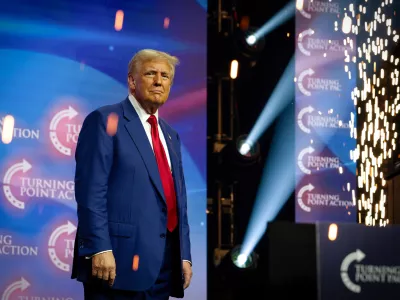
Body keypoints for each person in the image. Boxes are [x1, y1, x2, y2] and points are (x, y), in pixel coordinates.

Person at [71, 49, 193, 300]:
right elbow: (90, 191)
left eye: (166, 76)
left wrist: (184, 254)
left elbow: (177, 201)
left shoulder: (171, 135)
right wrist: (99, 247)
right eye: (150, 73)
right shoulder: (105, 120)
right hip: (116, 263)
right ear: (131, 81)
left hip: (162, 266)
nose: (159, 81)